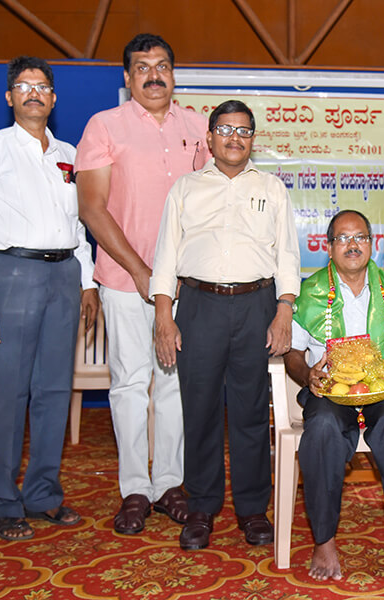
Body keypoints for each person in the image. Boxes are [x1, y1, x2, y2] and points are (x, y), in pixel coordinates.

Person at [75, 33, 210, 535]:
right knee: (130, 384)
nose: (154, 75)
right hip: (123, 277)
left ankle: (171, 483)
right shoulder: (104, 126)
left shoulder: (199, 128)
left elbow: (208, 204)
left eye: (162, 66)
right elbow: (91, 207)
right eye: (142, 67)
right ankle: (135, 487)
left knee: (174, 385)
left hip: (185, 286)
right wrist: (138, 270)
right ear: (127, 77)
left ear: (174, 74)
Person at [151, 100, 301, 550]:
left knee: (253, 413)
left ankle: (253, 510)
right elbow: (165, 256)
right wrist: (163, 315)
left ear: (253, 139)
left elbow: (288, 256)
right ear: (210, 138)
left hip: (256, 305)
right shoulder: (185, 189)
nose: (234, 138)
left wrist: (284, 309)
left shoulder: (273, 188)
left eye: (243, 131)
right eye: (225, 129)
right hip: (198, 305)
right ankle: (201, 507)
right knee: (199, 410)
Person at [0, 56, 98, 541]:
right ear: (9, 97)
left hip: (65, 274)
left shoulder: (70, 153)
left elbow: (80, 224)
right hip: (12, 274)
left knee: (54, 390)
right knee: (8, 393)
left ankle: (43, 493)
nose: (33, 93)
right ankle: (3, 499)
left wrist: (89, 282)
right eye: (23, 86)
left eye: (42, 86)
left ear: (54, 98)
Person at [284, 209, 384, 581]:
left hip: (383, 390)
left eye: (360, 238)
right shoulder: (310, 293)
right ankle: (324, 540)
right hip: (330, 391)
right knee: (321, 432)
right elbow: (291, 354)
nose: (352, 245)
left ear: (372, 245)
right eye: (343, 239)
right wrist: (308, 375)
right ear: (329, 247)